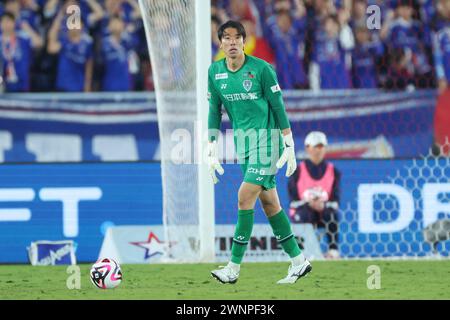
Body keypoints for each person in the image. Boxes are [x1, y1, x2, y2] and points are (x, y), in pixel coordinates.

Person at [207, 20, 311, 284]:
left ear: (244, 41)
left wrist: (288, 143)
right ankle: (298, 262)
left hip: (267, 141)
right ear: (220, 43)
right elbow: (214, 111)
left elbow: (278, 107)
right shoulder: (215, 72)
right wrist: (211, 146)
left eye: (236, 38)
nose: (231, 42)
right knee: (270, 204)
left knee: (244, 197)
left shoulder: (262, 69)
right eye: (226, 38)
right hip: (244, 145)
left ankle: (233, 268)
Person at [287, 131, 341, 259]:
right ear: (307, 148)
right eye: (316, 146)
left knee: (332, 214)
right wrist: (309, 203)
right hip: (303, 211)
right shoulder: (297, 171)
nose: (319, 150)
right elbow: (292, 202)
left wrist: (322, 205)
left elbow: (336, 200)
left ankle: (333, 251)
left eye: (322, 146)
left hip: (323, 211)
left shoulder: (333, 171)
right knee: (304, 214)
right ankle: (301, 253)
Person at [0, 11, 43, 92]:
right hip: (3, 87)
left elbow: (39, 43)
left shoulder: (22, 39)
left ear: (14, 23)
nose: (6, 24)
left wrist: (27, 28)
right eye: (3, 22)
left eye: (8, 21)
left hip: (23, 85)